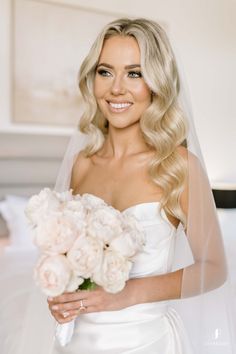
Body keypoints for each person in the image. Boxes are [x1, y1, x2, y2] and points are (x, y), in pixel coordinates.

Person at [45, 18, 234, 354]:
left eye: (134, 73)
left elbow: (215, 269)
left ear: (156, 82)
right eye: (105, 72)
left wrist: (128, 293)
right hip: (79, 343)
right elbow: (72, 264)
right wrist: (62, 296)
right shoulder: (82, 164)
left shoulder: (179, 167)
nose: (116, 88)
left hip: (144, 342)